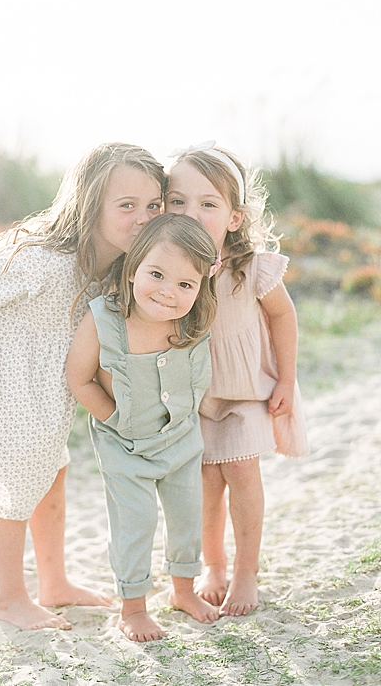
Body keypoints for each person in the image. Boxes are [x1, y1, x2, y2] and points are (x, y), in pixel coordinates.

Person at [0, 143, 165, 630]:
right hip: (3, 384)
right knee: (17, 486)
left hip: (44, 393)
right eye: (126, 205)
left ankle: (54, 582)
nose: (142, 217)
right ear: (90, 204)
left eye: (154, 206)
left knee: (52, 476)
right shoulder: (45, 259)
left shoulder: (112, 266)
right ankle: (9, 597)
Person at [165, 142, 308, 616]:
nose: (191, 212)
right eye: (178, 201)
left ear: (234, 217)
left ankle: (246, 573)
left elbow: (284, 318)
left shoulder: (252, 267)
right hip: (198, 397)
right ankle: (214, 565)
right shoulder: (170, 266)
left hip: (248, 391)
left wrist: (286, 380)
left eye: (209, 203)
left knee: (242, 473)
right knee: (206, 483)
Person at [66, 214, 221, 642]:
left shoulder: (191, 322)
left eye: (185, 284)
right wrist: (112, 418)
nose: (169, 292)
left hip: (181, 442)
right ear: (133, 269)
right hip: (125, 448)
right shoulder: (104, 320)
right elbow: (79, 378)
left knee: (188, 516)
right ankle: (132, 608)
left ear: (200, 287)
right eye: (157, 274)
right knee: (136, 522)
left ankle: (184, 590)